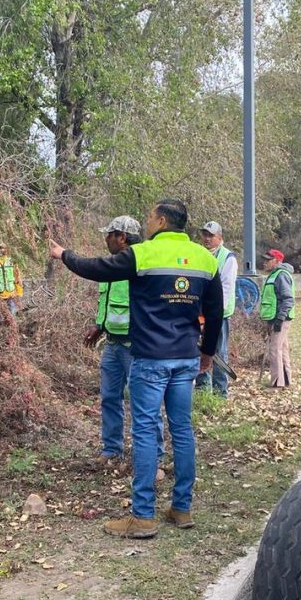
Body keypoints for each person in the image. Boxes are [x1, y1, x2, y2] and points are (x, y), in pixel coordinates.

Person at [49, 200, 223, 539]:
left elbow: (96, 267)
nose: (147, 223)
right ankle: (181, 508)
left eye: (150, 217)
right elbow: (214, 313)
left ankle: (143, 516)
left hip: (151, 358)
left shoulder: (144, 254)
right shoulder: (205, 258)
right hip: (186, 357)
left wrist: (63, 254)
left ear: (161, 220)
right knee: (182, 429)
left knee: (144, 429)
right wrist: (207, 352)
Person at [84, 216, 164, 478]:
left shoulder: (139, 264)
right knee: (109, 398)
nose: (105, 239)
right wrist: (100, 325)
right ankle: (111, 450)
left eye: (109, 235)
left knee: (145, 403)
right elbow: (107, 301)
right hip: (113, 344)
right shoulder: (111, 267)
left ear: (122, 237)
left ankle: (155, 456)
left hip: (137, 347)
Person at [195, 221, 237, 398]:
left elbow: (226, 290)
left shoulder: (228, 258)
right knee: (199, 352)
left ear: (220, 238)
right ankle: (203, 389)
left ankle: (220, 392)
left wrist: (213, 316)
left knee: (219, 354)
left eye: (210, 235)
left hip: (219, 315)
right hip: (198, 314)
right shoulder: (197, 255)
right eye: (205, 234)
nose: (206, 238)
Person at [260, 249, 294, 389]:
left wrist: (279, 320)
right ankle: (285, 381)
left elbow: (288, 300)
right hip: (276, 317)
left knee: (274, 350)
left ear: (277, 261)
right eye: (265, 259)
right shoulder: (274, 275)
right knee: (282, 349)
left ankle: (276, 383)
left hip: (280, 318)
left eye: (269, 260)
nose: (265, 262)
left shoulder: (281, 276)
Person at [0, 244, 23, 317]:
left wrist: (19, 292)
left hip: (11, 293)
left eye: (3, 248)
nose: (2, 250)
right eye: (0, 248)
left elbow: (17, 277)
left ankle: (12, 326)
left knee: (12, 314)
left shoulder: (11, 261)